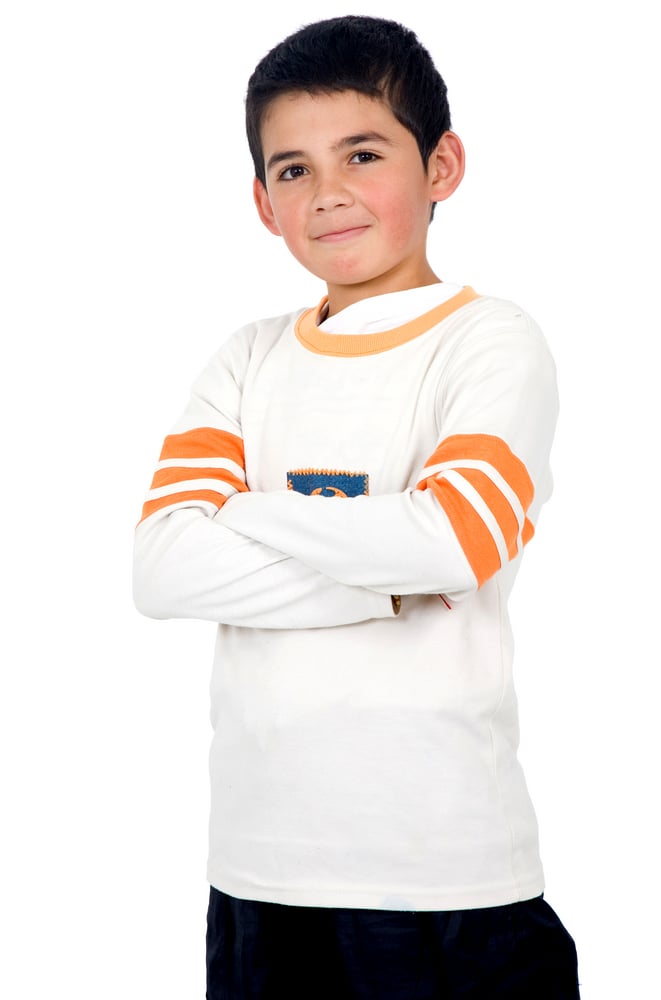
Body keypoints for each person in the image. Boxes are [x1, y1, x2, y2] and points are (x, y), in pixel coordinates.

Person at [133, 15, 580, 999]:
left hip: (446, 875)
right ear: (261, 201)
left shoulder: (487, 342)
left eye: (363, 153)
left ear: (442, 165)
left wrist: (245, 508)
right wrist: (384, 579)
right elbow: (162, 569)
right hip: (257, 871)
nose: (327, 192)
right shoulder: (247, 357)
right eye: (291, 169)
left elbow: (457, 540)